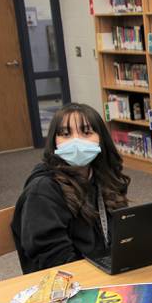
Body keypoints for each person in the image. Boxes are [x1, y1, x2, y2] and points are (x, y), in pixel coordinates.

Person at [12, 103, 130, 274]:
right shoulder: (42, 190)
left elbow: (120, 234)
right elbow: (54, 259)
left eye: (86, 132)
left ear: (101, 138)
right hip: (67, 282)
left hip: (105, 271)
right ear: (55, 142)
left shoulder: (102, 177)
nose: (76, 141)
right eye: (65, 134)